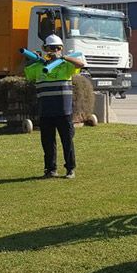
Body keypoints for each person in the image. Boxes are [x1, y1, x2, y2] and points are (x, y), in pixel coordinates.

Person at [24, 34, 87, 179]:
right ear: (44, 49)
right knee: (47, 143)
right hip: (45, 111)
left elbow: (81, 64)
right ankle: (50, 170)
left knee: (67, 141)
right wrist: (29, 59)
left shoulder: (66, 66)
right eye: (51, 48)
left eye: (57, 48)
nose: (54, 51)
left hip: (63, 111)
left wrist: (63, 57)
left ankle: (70, 169)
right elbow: (26, 74)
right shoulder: (38, 66)